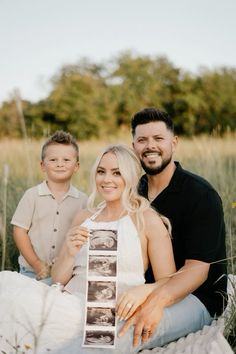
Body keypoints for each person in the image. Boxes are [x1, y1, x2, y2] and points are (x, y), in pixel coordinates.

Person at [0, 144, 178, 353]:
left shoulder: (146, 219)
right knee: (5, 284)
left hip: (106, 313)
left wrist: (145, 290)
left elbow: (169, 280)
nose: (106, 179)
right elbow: (58, 279)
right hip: (68, 302)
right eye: (101, 172)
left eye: (117, 173)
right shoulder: (85, 217)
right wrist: (70, 251)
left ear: (131, 177)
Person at [119, 107, 227, 347]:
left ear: (174, 143)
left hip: (196, 296)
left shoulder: (201, 194)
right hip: (146, 287)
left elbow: (197, 270)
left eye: (158, 139)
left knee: (121, 334)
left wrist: (155, 301)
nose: (150, 146)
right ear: (134, 146)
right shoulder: (133, 191)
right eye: (142, 140)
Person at [11, 130, 88, 285]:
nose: (60, 164)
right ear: (42, 165)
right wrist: (36, 264)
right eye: (53, 159)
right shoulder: (32, 195)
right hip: (31, 273)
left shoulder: (82, 200)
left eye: (66, 159)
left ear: (76, 166)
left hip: (67, 274)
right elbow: (19, 231)